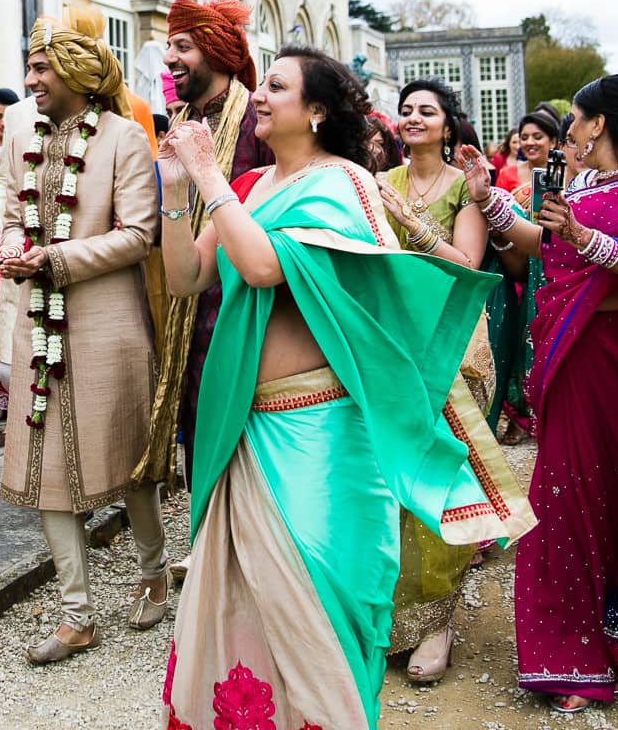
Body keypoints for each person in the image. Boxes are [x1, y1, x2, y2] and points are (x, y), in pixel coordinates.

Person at [161, 50, 518, 728]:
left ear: (318, 110)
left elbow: (265, 269)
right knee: (244, 597)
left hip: (320, 430)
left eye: (276, 86)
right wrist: (181, 189)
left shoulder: (344, 184)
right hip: (244, 422)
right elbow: (186, 278)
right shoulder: (252, 185)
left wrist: (209, 176)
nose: (258, 98)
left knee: (317, 595)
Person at [466, 74, 618, 713]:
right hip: (572, 363)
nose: (567, 130)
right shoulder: (578, 188)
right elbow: (542, 250)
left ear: (598, 124)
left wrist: (587, 239)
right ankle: (570, 654)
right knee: (566, 494)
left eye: (574, 119)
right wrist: (488, 199)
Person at [0, 6, 165, 663]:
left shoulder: (124, 137)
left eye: (41, 67)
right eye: (31, 67)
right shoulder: (20, 134)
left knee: (130, 467)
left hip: (109, 324)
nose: (31, 79)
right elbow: (10, 206)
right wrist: (12, 247)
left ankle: (152, 573)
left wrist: (58, 259)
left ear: (74, 71)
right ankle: (77, 614)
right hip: (37, 322)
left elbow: (138, 235)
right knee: (45, 471)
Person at [371, 78, 520, 682]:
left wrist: (412, 223)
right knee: (391, 482)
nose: (411, 118)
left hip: (456, 346)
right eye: (405, 110)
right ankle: (392, 614)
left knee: (442, 477)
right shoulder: (378, 181)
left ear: (447, 125)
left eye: (425, 112)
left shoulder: (465, 187)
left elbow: (466, 265)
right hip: (393, 342)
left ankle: (439, 622)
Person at [136, 0, 273, 492]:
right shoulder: (184, 123)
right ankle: (208, 549)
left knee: (246, 448)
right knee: (198, 436)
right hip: (190, 307)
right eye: (169, 46)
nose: (169, 58)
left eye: (183, 46)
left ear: (215, 51)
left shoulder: (257, 122)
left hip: (246, 314)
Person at [498, 109, 561, 199]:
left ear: (553, 142)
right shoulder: (507, 174)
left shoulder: (564, 174)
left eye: (537, 137)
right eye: (524, 138)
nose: (529, 142)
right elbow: (498, 210)